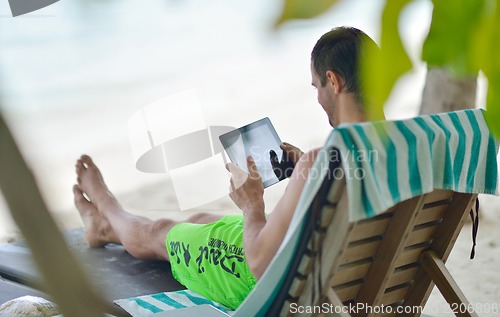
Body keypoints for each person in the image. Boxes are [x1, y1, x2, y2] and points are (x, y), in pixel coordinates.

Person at [73, 26, 378, 310]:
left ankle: (108, 209)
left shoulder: (321, 161)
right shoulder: (400, 152)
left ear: (333, 81)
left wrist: (252, 205)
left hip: (269, 281)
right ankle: (103, 230)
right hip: (347, 275)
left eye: (317, 87)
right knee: (199, 219)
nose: (318, 98)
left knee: (160, 231)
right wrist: (305, 179)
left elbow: (259, 265)